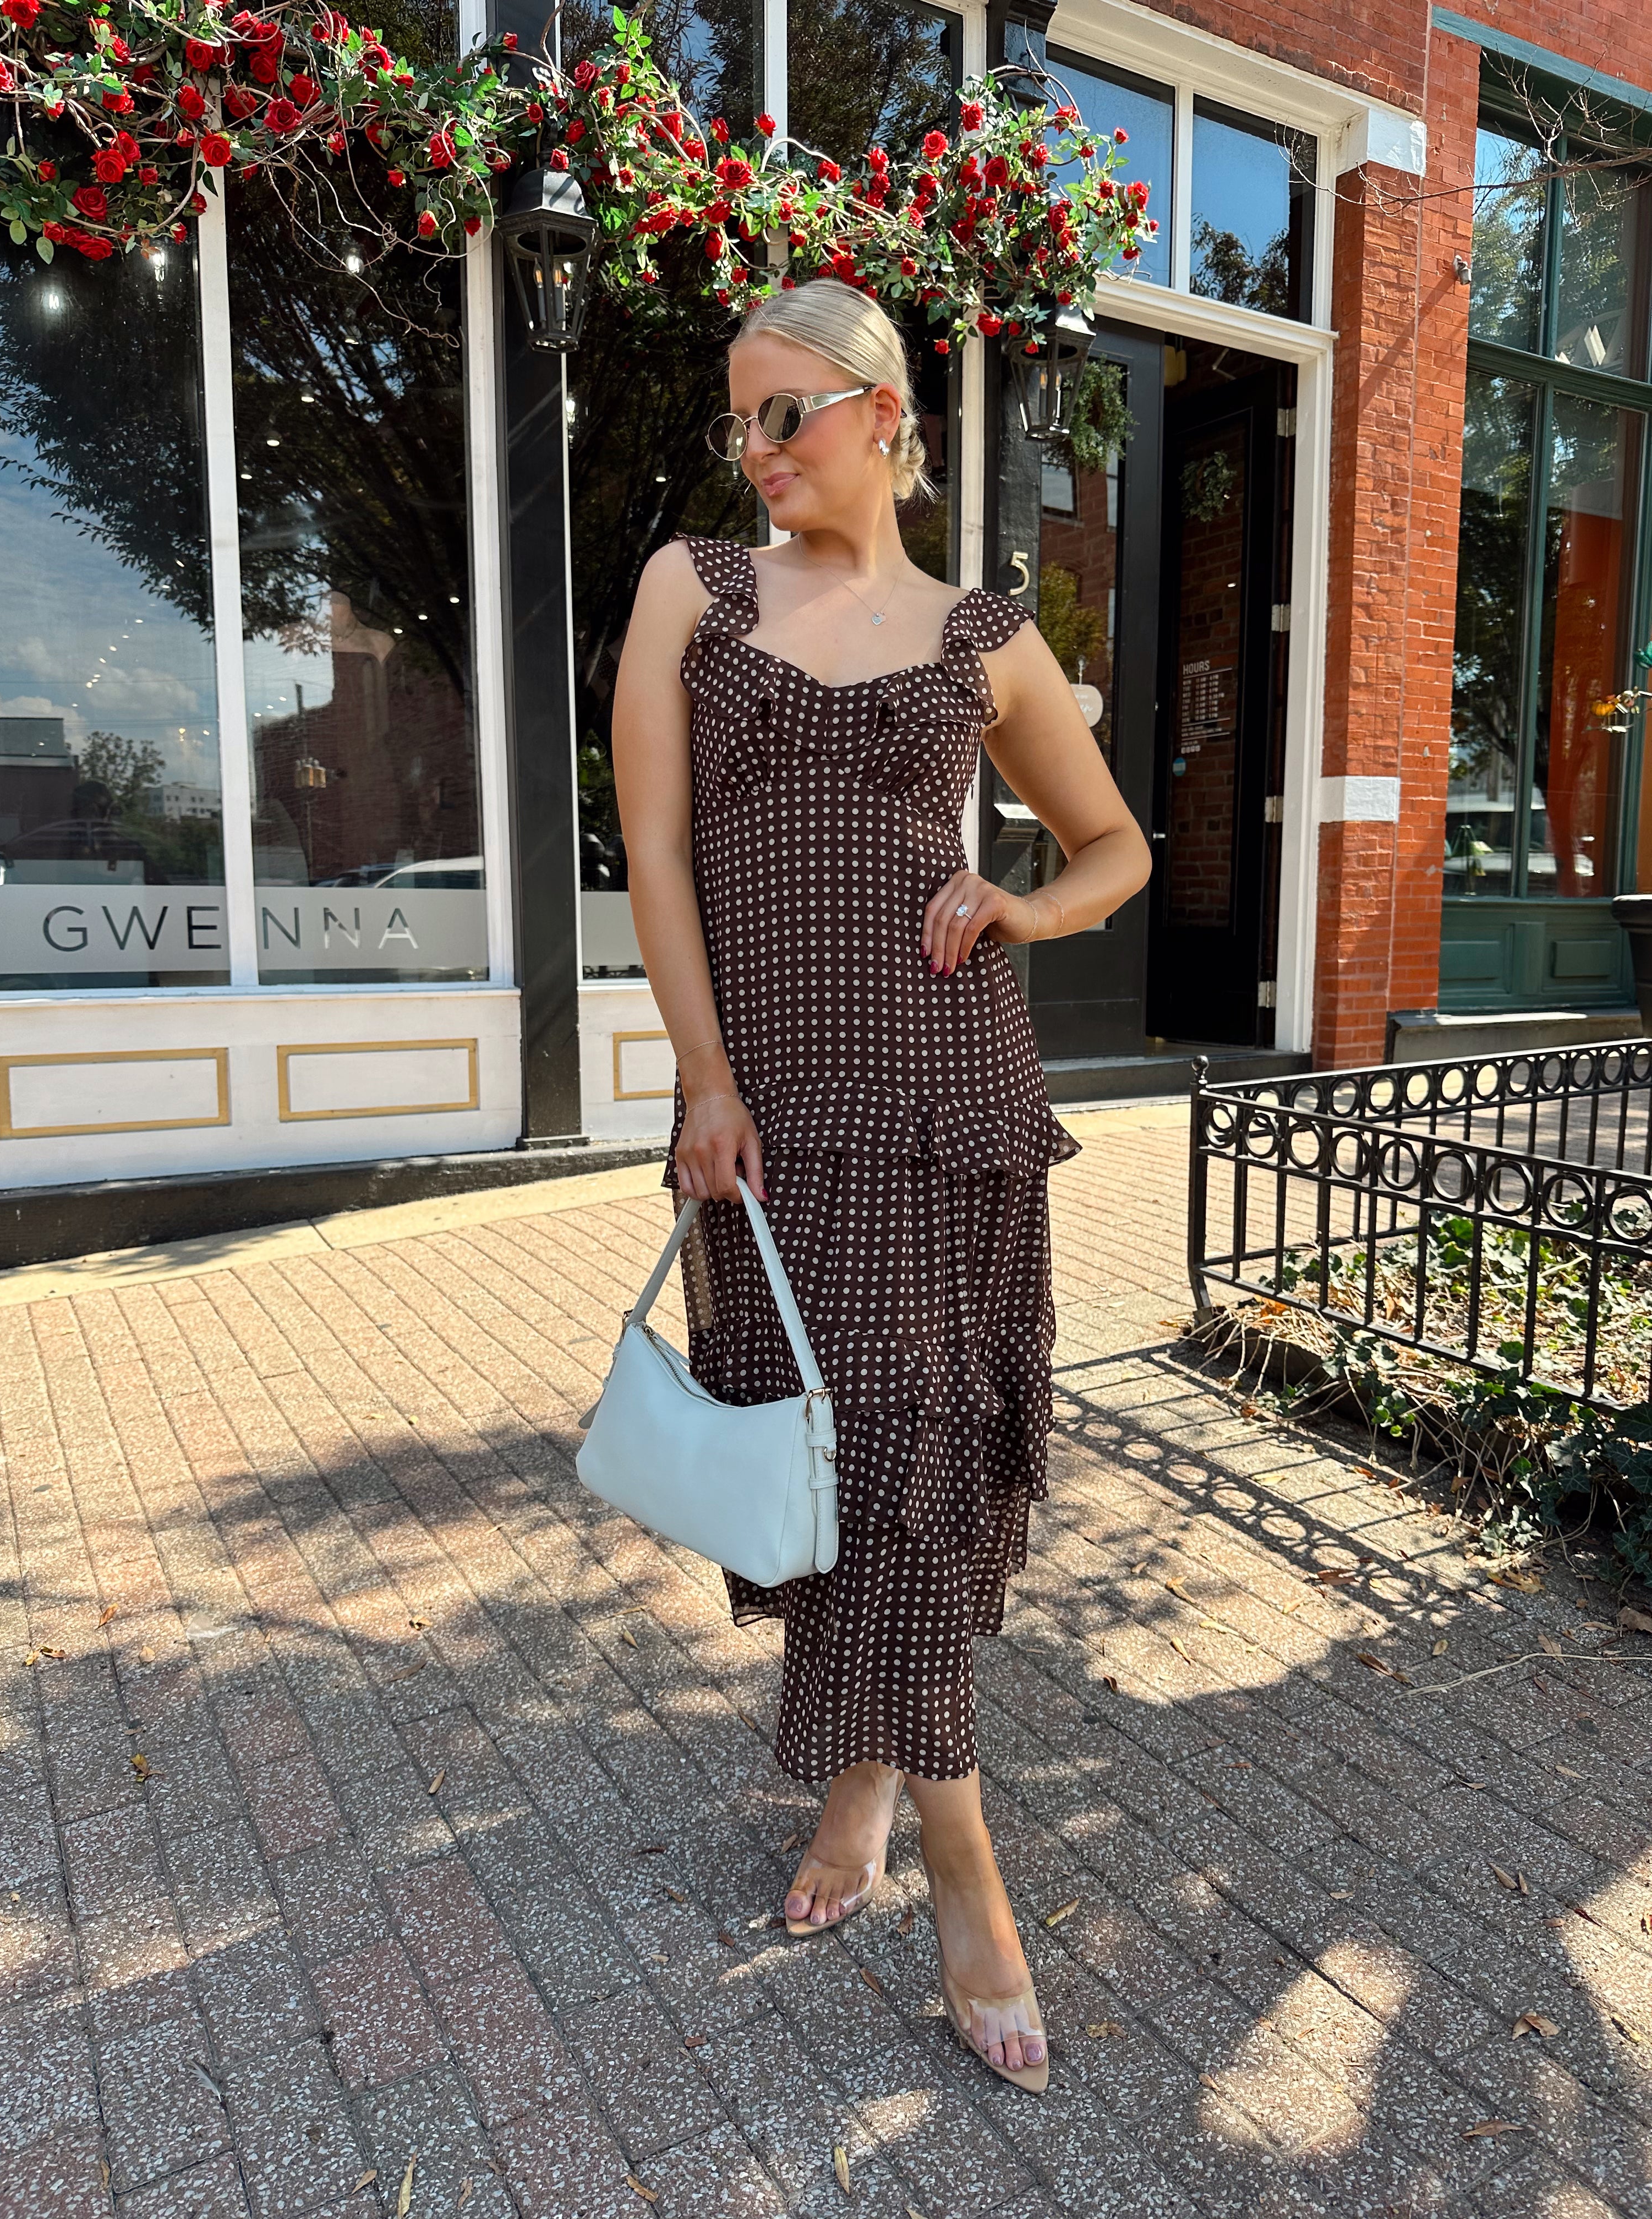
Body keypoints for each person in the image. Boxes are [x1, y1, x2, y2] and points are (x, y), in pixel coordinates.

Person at [611, 278, 1152, 2090]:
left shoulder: (983, 639)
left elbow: (1115, 847)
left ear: (887, 414)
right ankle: (891, 1805)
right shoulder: (694, 590)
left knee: (916, 1434)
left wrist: (1022, 904)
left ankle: (938, 1848)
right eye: (742, 421)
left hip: (951, 1097)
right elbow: (659, 845)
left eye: (792, 415)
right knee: (841, 1453)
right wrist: (701, 1073)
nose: (760, 452)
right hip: (769, 1113)